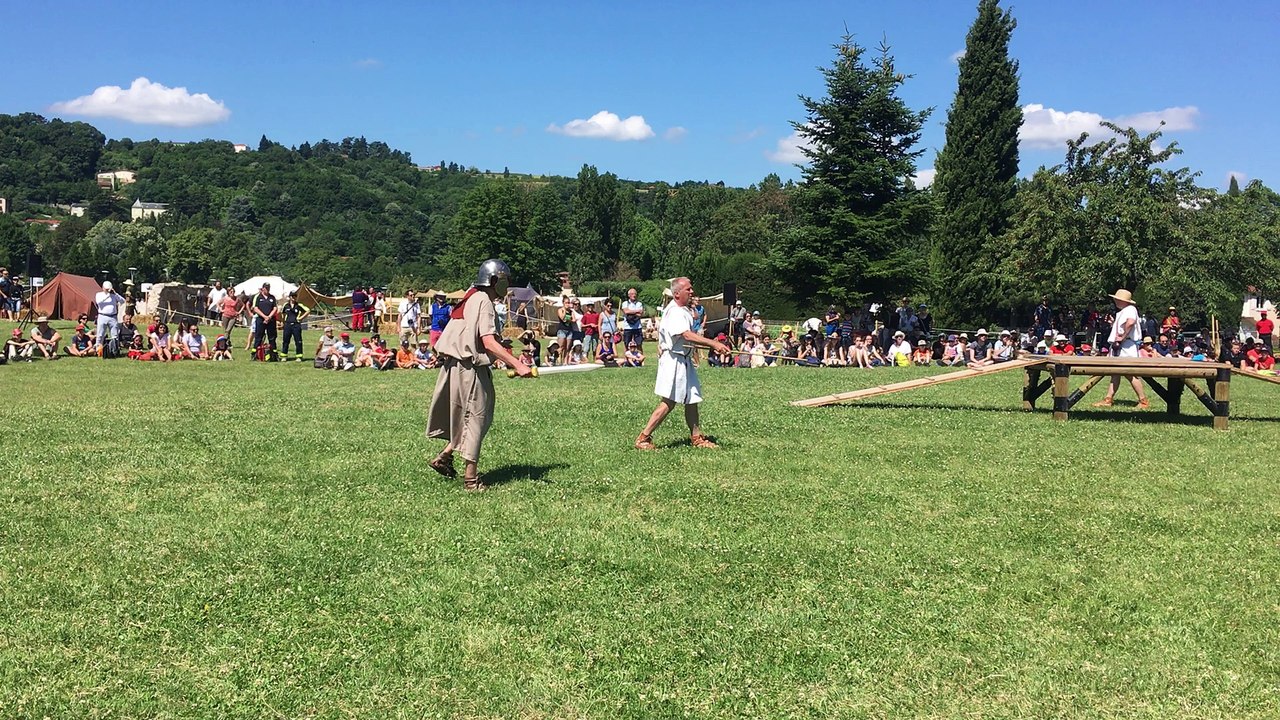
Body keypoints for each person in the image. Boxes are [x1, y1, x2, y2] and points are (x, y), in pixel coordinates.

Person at [426, 258, 531, 491]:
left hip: (453, 366)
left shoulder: (470, 295)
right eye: (505, 280)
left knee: (465, 416)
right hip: (469, 368)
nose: (508, 285)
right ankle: (471, 480)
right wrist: (517, 364)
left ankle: (445, 456)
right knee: (476, 418)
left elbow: (470, 333)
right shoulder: (483, 300)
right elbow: (487, 341)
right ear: (494, 280)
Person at [634, 277, 731, 450]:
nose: (692, 292)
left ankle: (696, 438)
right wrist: (714, 344)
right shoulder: (675, 312)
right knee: (669, 401)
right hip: (674, 360)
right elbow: (686, 335)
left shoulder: (683, 309)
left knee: (692, 398)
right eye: (688, 289)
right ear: (677, 293)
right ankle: (643, 438)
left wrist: (714, 345)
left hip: (683, 359)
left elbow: (689, 338)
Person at [1093, 288, 1150, 409]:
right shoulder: (1125, 310)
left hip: (1126, 347)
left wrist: (1122, 337)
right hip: (1123, 346)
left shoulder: (1130, 309)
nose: (1115, 301)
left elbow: (1130, 323)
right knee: (1115, 372)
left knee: (1130, 373)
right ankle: (1108, 399)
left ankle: (1143, 400)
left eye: (1117, 299)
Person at [93, 281, 125, 353]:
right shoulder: (99, 294)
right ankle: (98, 349)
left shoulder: (114, 295)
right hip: (102, 316)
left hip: (112, 317)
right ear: (103, 288)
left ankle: (115, 349)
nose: (108, 290)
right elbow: (99, 302)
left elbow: (123, 301)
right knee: (100, 334)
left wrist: (115, 294)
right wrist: (108, 295)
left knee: (115, 334)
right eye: (106, 289)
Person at [279, 292, 310, 362]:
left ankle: (299, 356)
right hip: (287, 325)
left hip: (296, 325)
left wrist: (301, 318)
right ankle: (284, 356)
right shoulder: (286, 305)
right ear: (289, 297)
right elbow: (282, 314)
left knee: (298, 341)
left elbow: (308, 310)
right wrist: (282, 322)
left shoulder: (299, 305)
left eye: (295, 296)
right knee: (285, 341)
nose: (293, 298)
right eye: (292, 296)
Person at [250, 283, 278, 357]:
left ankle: (274, 354)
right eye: (266, 288)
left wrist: (269, 317)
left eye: (268, 287)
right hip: (260, 319)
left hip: (271, 320)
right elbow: (255, 308)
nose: (267, 289)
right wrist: (264, 316)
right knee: (258, 337)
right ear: (263, 288)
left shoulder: (272, 297)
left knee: (272, 337)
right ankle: (255, 353)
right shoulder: (258, 297)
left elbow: (275, 308)